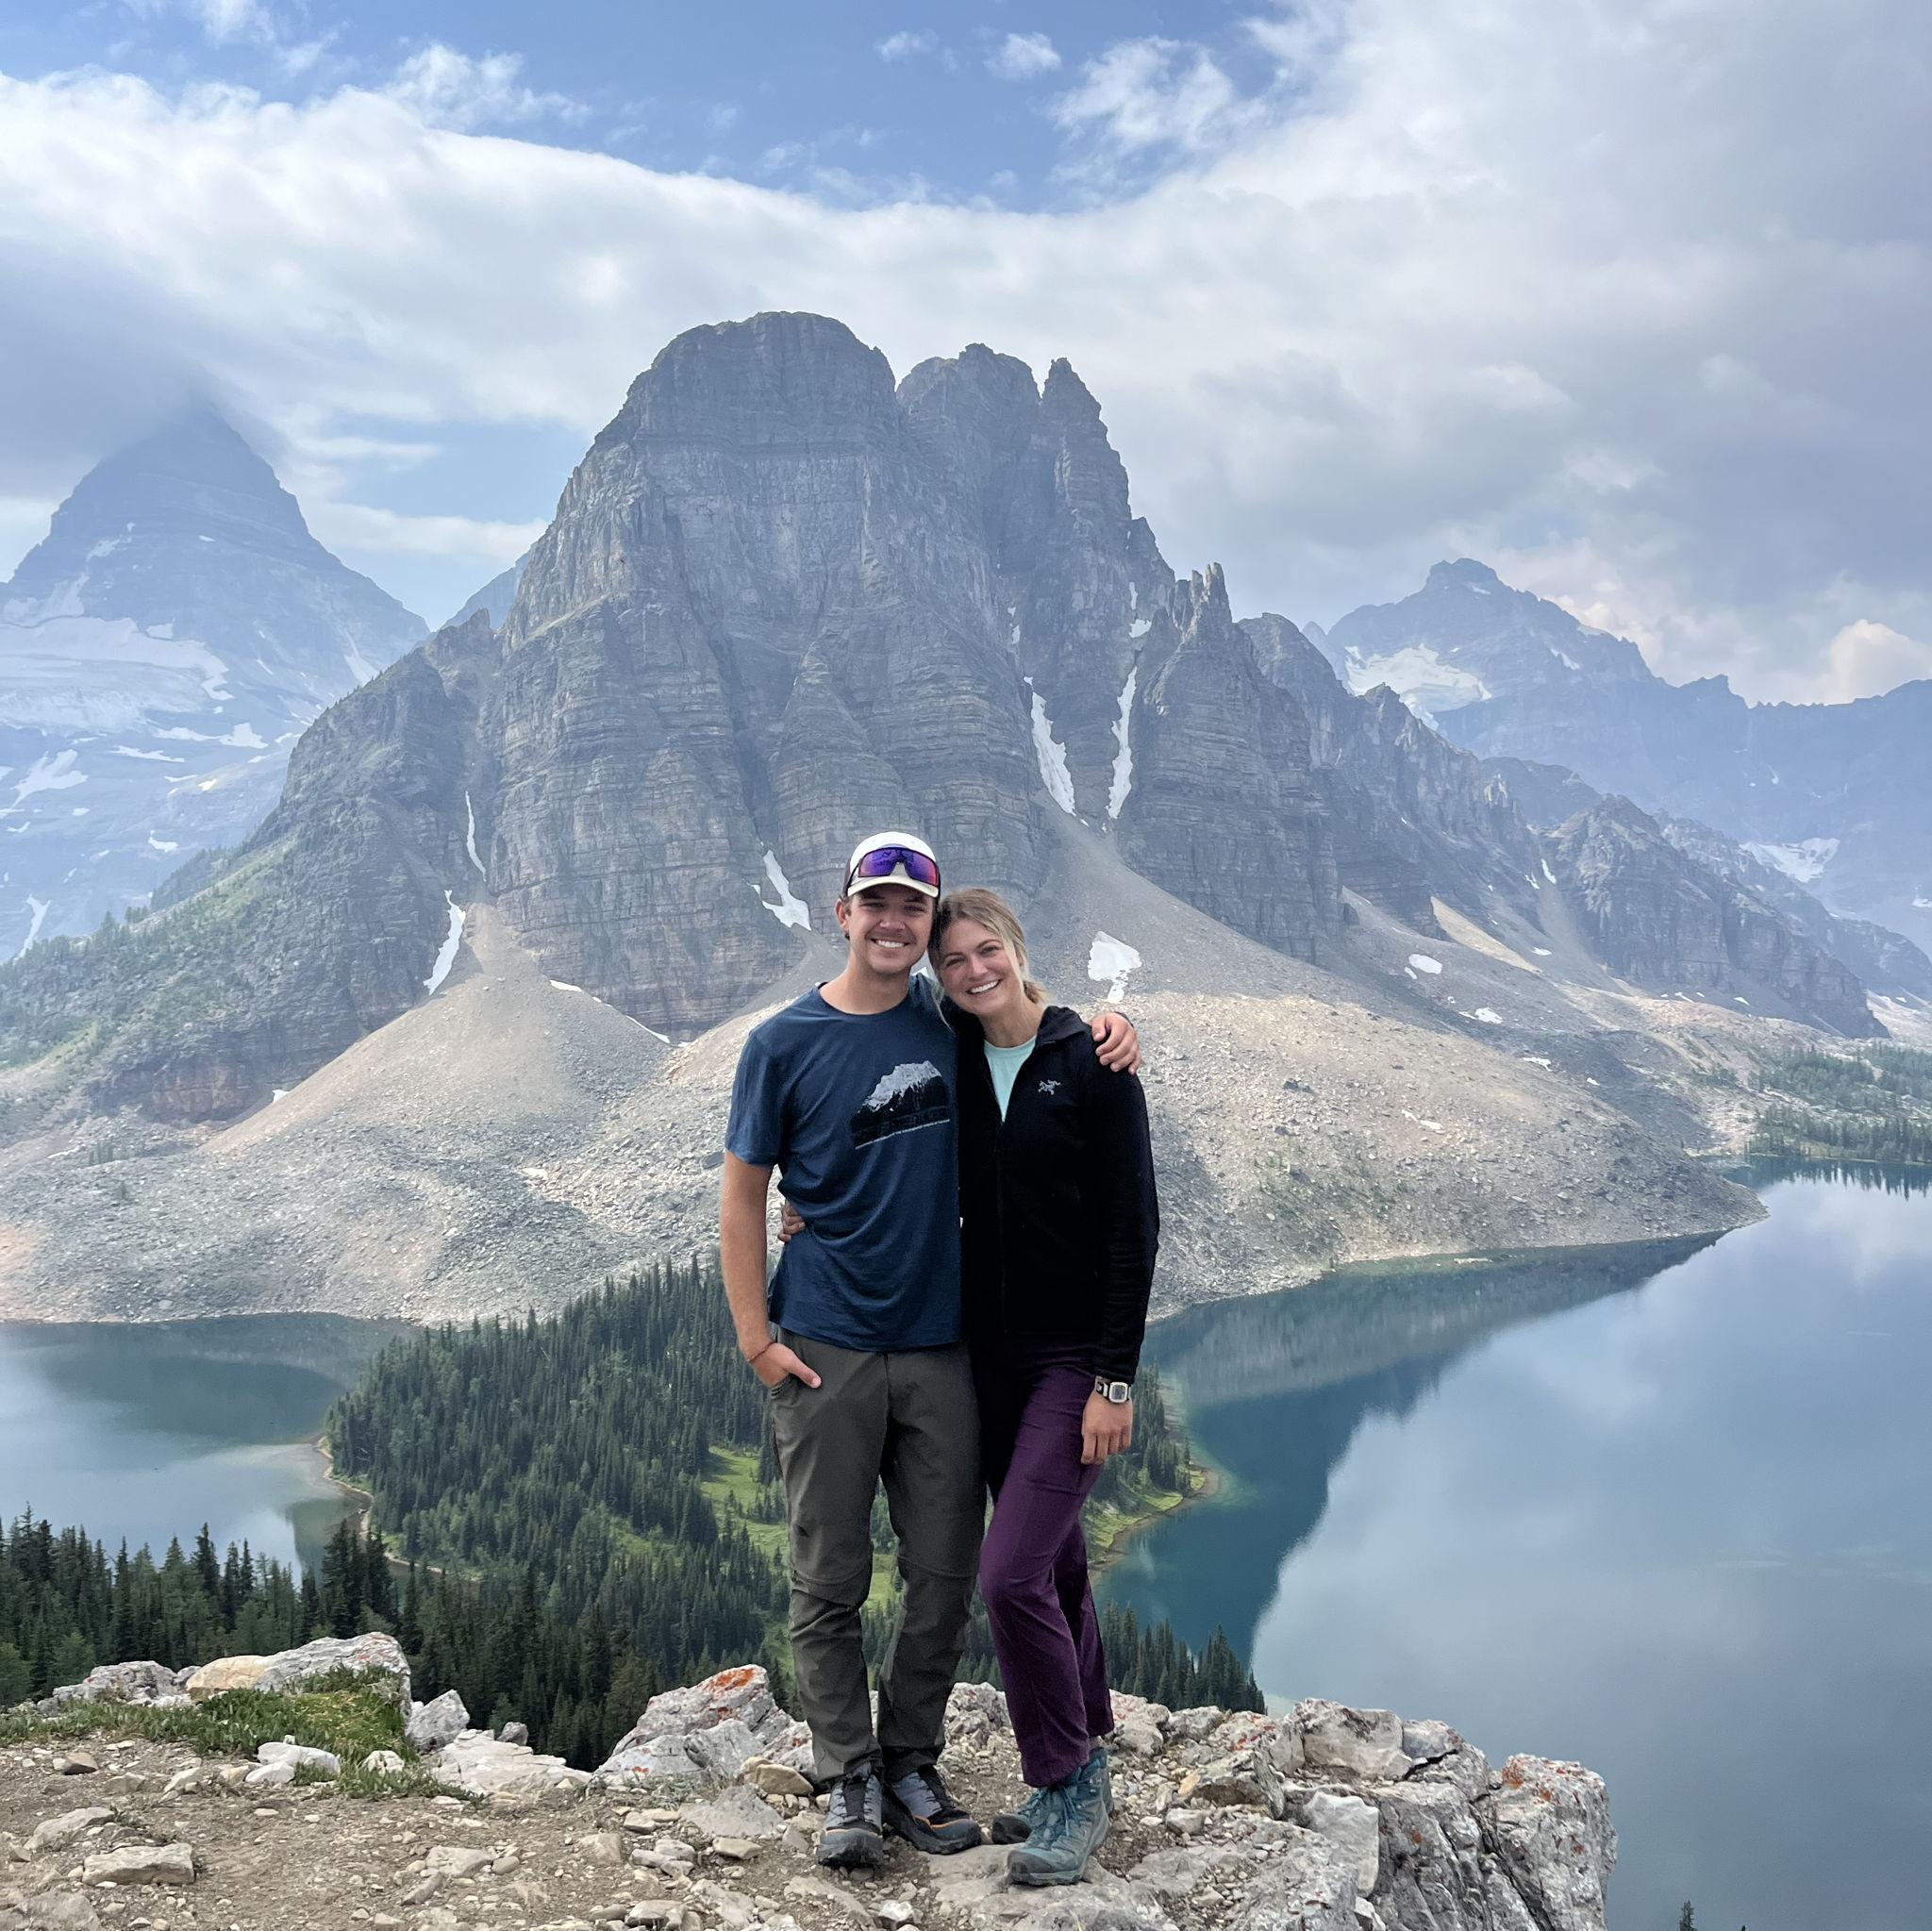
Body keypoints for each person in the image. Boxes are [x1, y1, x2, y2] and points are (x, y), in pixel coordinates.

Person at [719, 832, 1138, 1871]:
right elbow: (742, 1192)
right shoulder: (782, 1041)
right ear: (842, 911)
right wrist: (755, 1339)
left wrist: (1112, 1027)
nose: (898, 925)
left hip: (946, 1349)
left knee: (954, 1573)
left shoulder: (945, 1018)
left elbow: (1027, 1029)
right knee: (828, 1574)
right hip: (823, 1346)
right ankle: (846, 1771)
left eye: (916, 908)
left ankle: (913, 1758)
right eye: (878, 904)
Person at [930, 887, 1158, 1888]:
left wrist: (1113, 1378)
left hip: (1071, 1360)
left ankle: (1066, 1777)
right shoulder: (947, 1054)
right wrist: (810, 1209)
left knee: (1009, 1570)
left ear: (1018, 949)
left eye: (987, 950)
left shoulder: (1091, 1062)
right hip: (987, 1357)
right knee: (1054, 1562)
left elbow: (1132, 1231)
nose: (973, 970)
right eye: (954, 960)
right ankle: (1090, 1730)